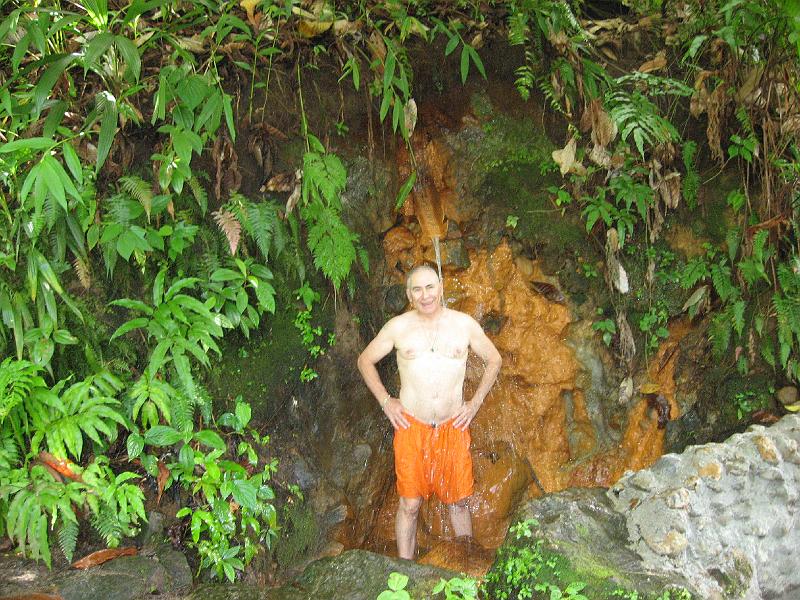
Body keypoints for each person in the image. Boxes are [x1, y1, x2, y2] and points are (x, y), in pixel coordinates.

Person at [357, 264, 502, 560]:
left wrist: (474, 404)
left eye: (430, 287)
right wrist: (386, 401)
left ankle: (466, 563)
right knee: (410, 505)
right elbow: (364, 361)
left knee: (459, 502)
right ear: (409, 295)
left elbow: (494, 359)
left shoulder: (463, 324)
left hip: (453, 426)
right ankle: (405, 569)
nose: (426, 295)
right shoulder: (398, 327)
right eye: (417, 289)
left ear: (441, 287)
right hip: (412, 426)